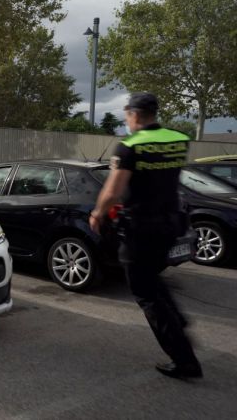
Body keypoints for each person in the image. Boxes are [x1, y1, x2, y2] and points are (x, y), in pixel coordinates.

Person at [90, 92, 201, 379]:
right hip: (171, 223)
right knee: (152, 275)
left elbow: (113, 191)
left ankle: (184, 358)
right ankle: (176, 319)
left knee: (144, 291)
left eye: (127, 114)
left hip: (141, 227)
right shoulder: (178, 139)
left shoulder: (129, 146)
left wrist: (97, 213)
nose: (127, 119)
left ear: (135, 114)